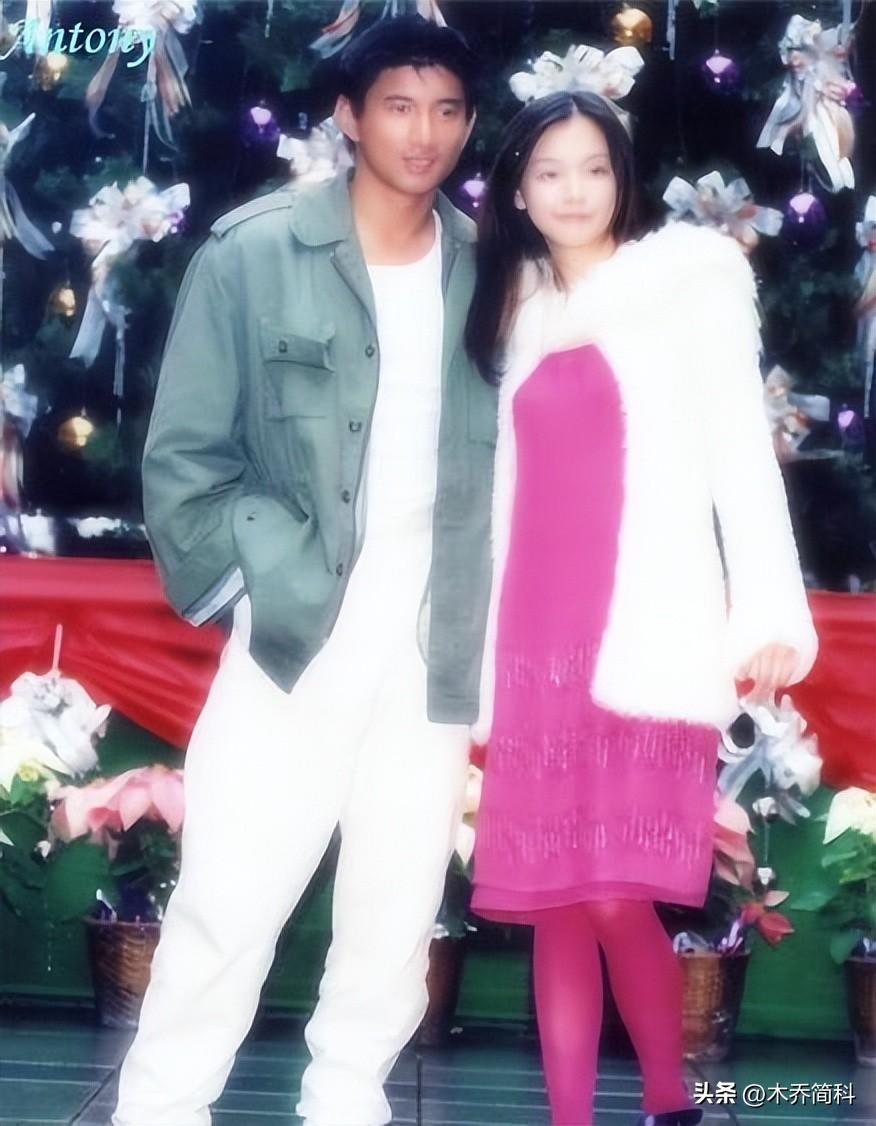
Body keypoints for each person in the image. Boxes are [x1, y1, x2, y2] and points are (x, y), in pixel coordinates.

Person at [113, 16, 496, 1126]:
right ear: (348, 115)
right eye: (397, 106)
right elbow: (184, 456)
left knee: (394, 915)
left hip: (436, 637)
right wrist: (251, 590)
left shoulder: (490, 268)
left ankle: (347, 1105)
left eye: (446, 110)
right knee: (228, 901)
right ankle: (160, 1109)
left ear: (469, 124)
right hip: (296, 625)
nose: (422, 133)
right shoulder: (253, 251)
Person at [464, 89, 818, 1126]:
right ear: (518, 191)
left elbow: (742, 460)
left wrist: (768, 615)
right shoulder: (511, 310)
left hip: (649, 630)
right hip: (533, 637)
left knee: (617, 893)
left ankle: (669, 1096)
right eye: (549, 172)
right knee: (559, 901)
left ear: (622, 179)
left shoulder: (688, 287)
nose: (573, 192)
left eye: (594, 169)